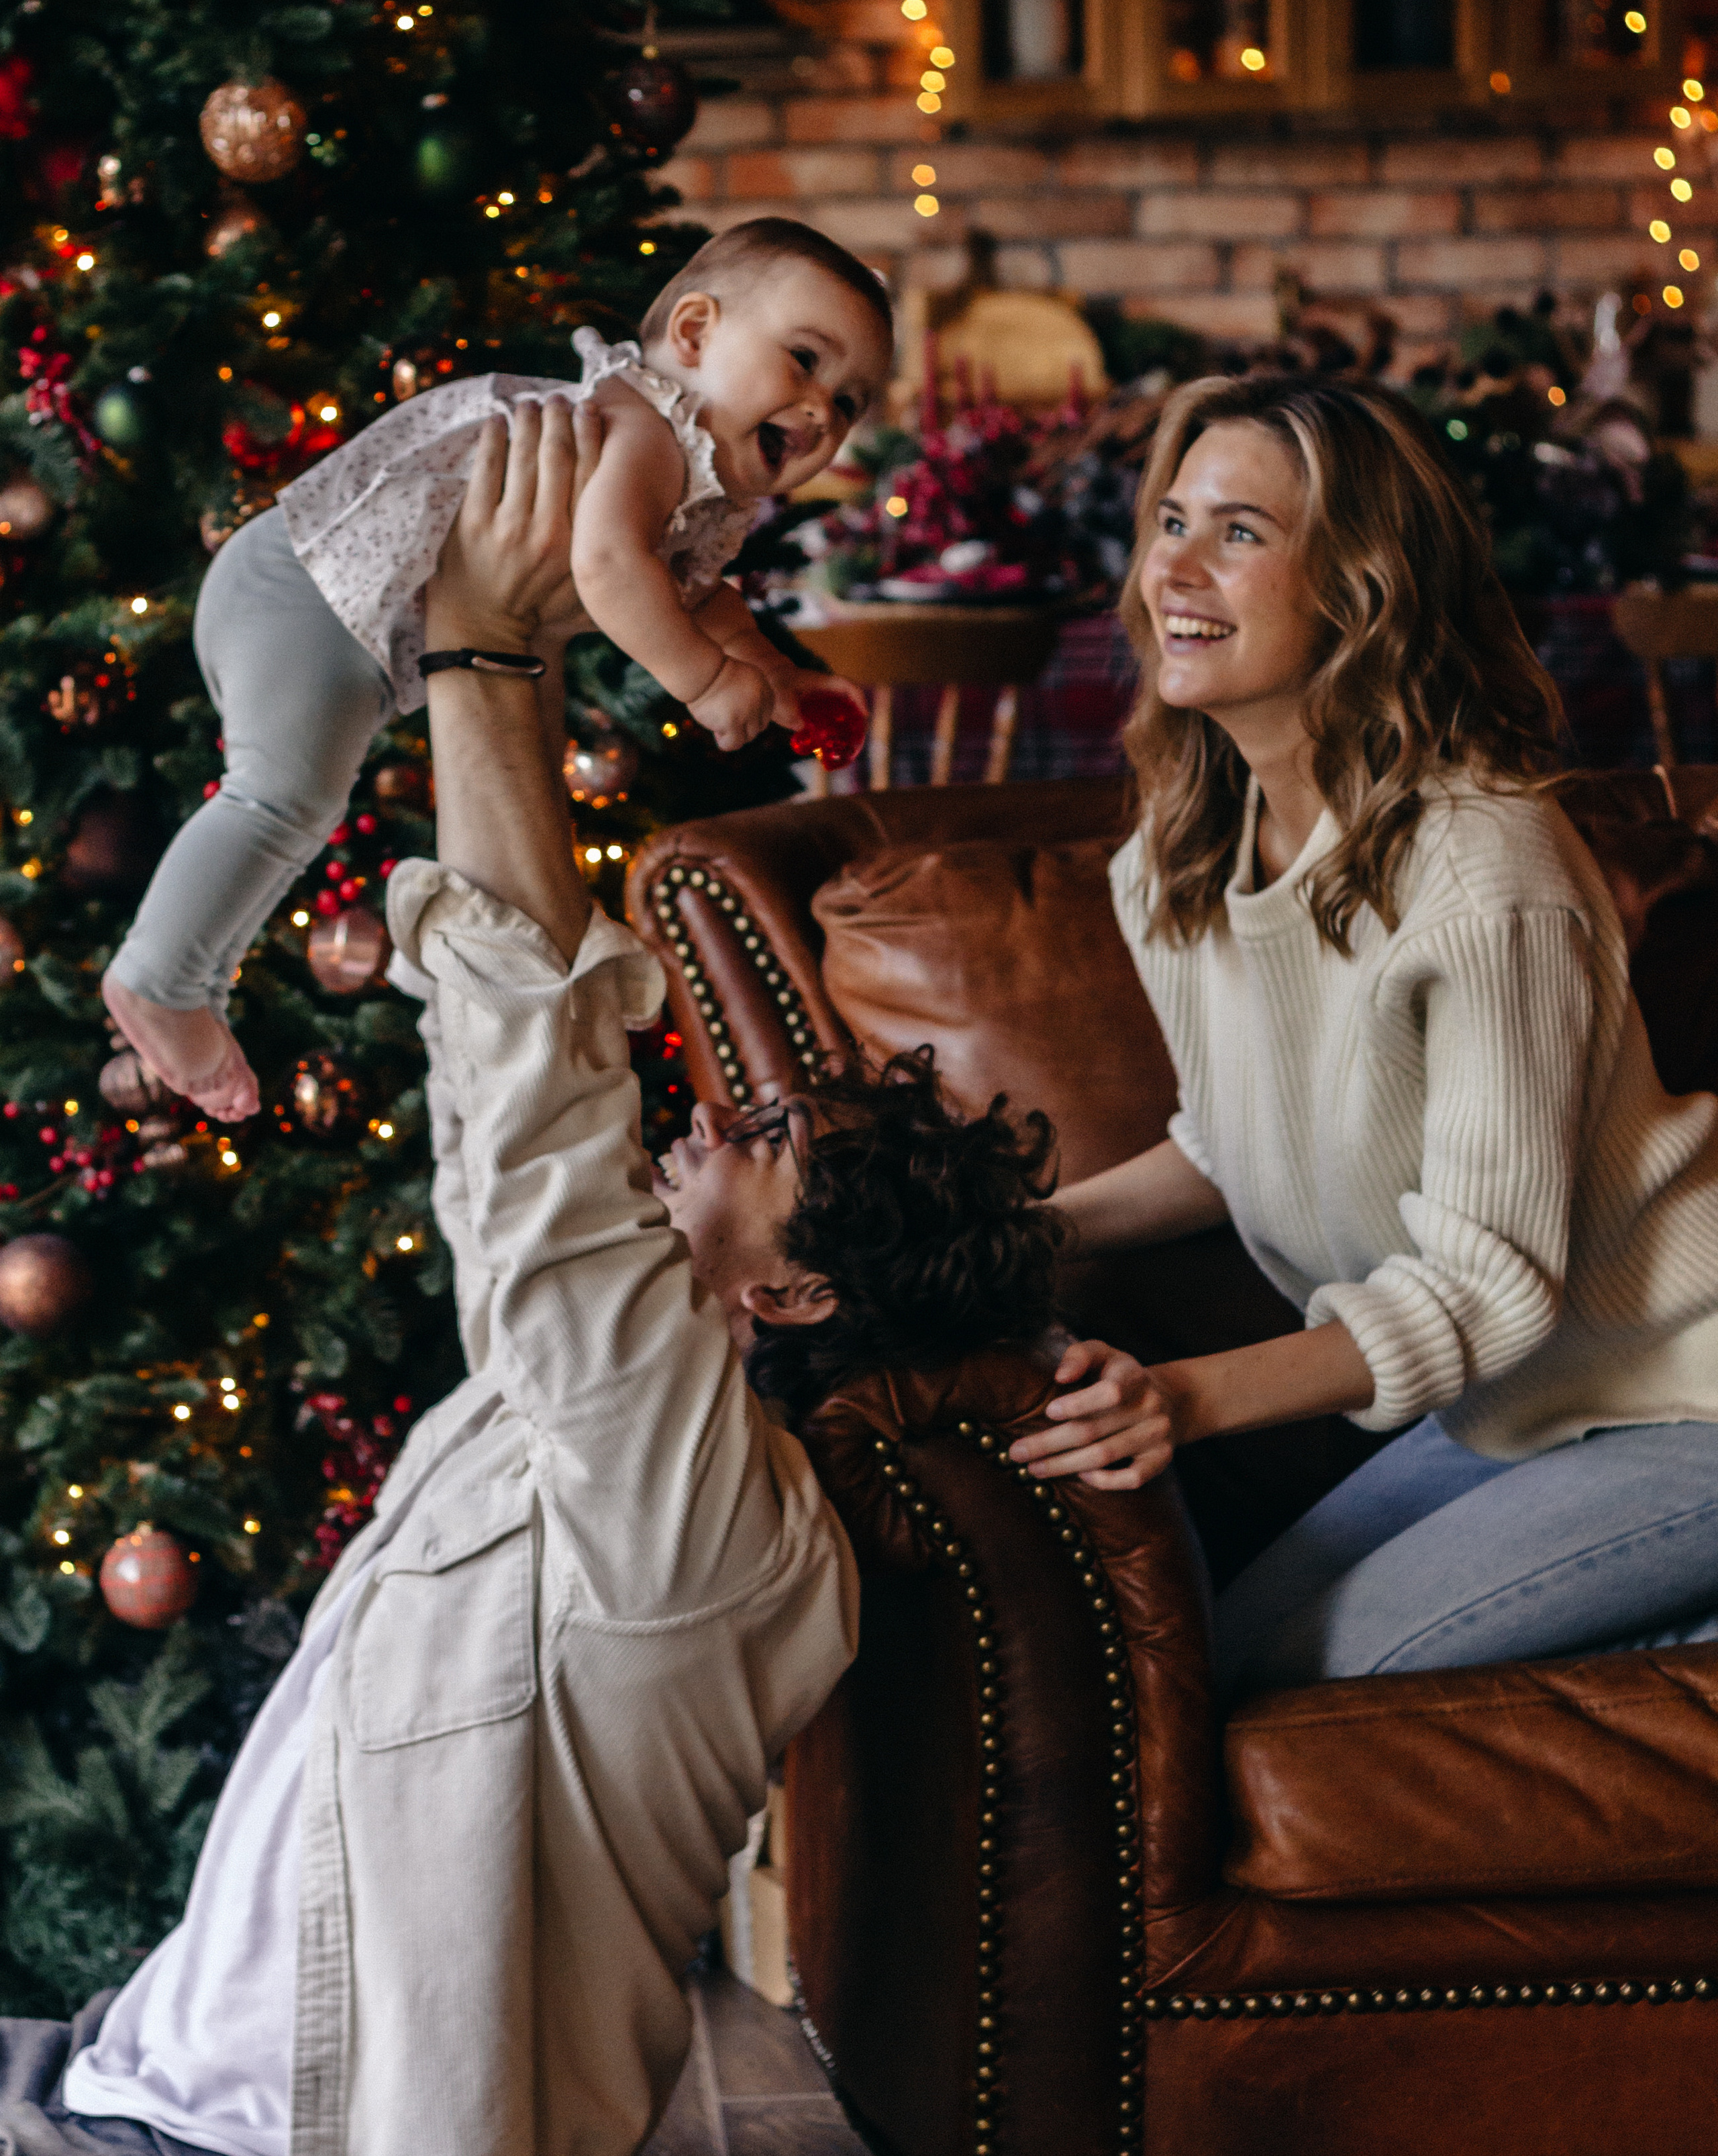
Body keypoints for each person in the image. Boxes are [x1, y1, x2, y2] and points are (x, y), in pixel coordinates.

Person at [0, 399, 1061, 2156]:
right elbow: (534, 1073)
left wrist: (488, 651)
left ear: (799, 1294)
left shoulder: (701, 1510)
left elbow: (533, 1107)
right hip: (127, 2070)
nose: (709, 1120)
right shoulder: (600, 1420)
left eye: (764, 1137)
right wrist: (538, 632)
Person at [1010, 370, 1718, 1701]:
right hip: (1523, 1409)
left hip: (1688, 1386)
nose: (1175, 570)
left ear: (1359, 590)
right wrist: (1029, 1233)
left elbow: (1486, 1286)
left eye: (1239, 533)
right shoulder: (1175, 859)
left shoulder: (1481, 865)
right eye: (1171, 521)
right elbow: (1231, 1140)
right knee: (1219, 1662)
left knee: (1297, 1686)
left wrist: (1181, 1397)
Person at [101, 217, 887, 1125]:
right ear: (696, 333)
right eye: (804, 360)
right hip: (309, 583)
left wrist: (776, 677)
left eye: (850, 402)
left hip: (332, 612)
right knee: (281, 801)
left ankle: (195, 982)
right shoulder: (644, 429)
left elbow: (702, 599)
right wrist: (707, 684)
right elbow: (611, 567)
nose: (822, 410)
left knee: (296, 807)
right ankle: (161, 980)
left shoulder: (696, 483)